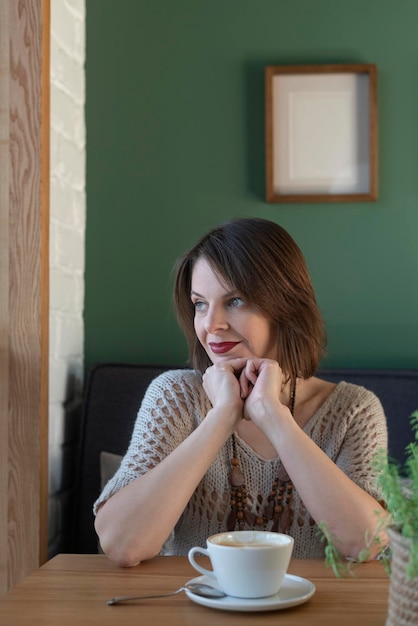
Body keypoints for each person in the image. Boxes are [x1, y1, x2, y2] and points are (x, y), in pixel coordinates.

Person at [94, 217, 388, 567]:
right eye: (200, 303)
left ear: (286, 306)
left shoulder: (353, 410)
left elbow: (367, 544)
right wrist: (221, 417)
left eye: (234, 301)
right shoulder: (174, 396)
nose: (210, 324)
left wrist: (274, 417)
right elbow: (121, 544)